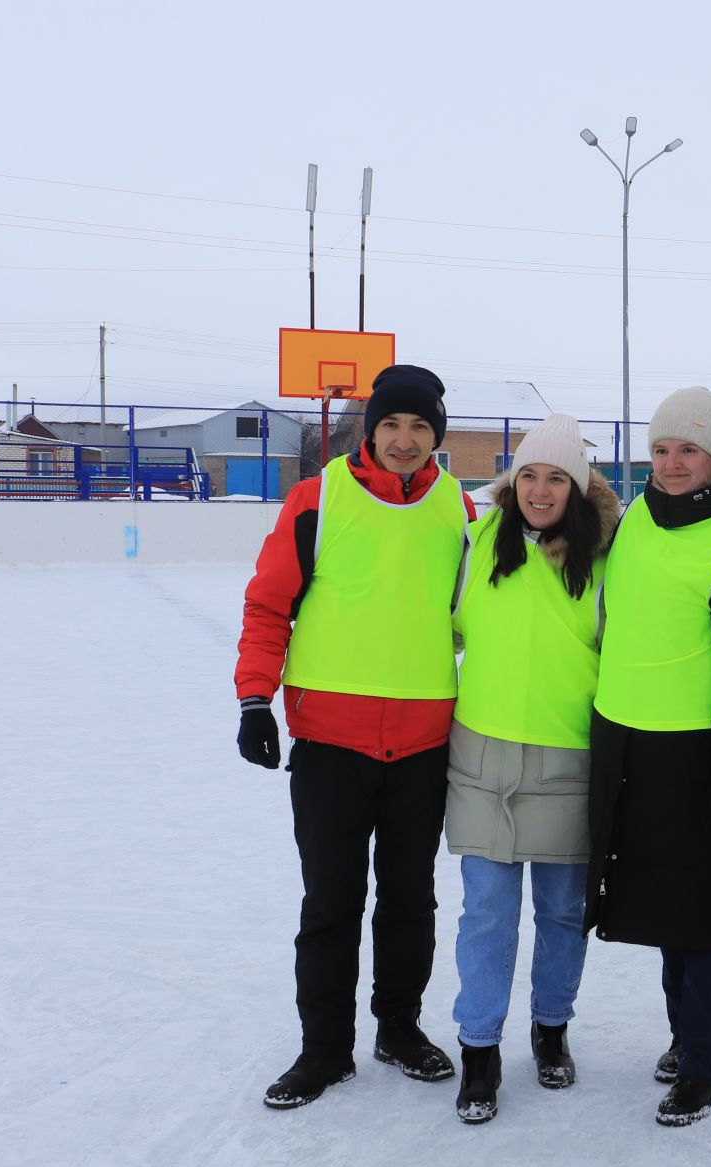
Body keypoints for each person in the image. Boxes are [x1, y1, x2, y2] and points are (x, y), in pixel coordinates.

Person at [235, 364, 477, 1109]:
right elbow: (269, 606)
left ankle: (398, 1027)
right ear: (369, 428)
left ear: (437, 434)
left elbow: (486, 622)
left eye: (420, 428)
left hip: (424, 741)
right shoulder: (318, 498)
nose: (405, 441)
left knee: (411, 898)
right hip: (331, 742)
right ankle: (324, 1050)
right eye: (392, 426)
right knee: (332, 900)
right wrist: (254, 700)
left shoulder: (463, 513)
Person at [587, 387, 711, 1127]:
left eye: (688, 450)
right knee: (662, 909)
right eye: (661, 450)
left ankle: (707, 1064)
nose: (670, 463)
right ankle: (685, 1036)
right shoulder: (636, 518)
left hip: (698, 751)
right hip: (624, 741)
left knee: (703, 912)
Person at [444, 415, 620, 1124]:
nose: (540, 490)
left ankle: (551, 1030)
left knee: (562, 913)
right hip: (479, 756)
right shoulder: (477, 540)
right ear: (510, 481)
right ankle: (478, 1051)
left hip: (568, 758)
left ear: (576, 487)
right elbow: (447, 625)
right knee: (485, 914)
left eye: (556, 477)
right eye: (528, 476)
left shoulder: (604, 556)